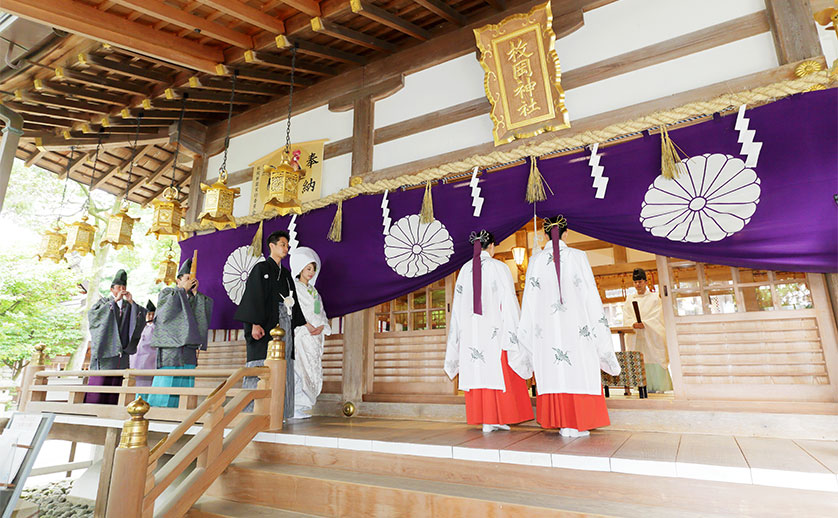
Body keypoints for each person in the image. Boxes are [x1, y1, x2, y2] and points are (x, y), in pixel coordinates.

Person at [509, 216, 621, 437]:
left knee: (552, 368)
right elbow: (590, 295)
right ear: (566, 233)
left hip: (546, 332)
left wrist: (528, 333)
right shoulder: (579, 257)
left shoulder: (536, 260)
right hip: (577, 328)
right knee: (579, 368)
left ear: (544, 235)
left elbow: (529, 302)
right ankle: (578, 422)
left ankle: (562, 422)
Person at [444, 230, 534, 432]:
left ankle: (486, 419)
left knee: (477, 370)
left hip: (471, 332)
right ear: (491, 246)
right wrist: (515, 328)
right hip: (495, 329)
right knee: (498, 370)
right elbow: (509, 302)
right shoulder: (499, 267)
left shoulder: (464, 270)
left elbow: (457, 307)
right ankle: (497, 417)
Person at [234, 230, 305, 417]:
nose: (286, 248)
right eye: (282, 244)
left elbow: (293, 300)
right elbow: (253, 297)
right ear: (271, 246)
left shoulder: (287, 274)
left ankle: (280, 411)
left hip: (285, 323)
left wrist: (296, 323)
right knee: (260, 364)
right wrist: (254, 324)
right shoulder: (261, 269)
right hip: (265, 325)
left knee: (284, 365)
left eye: (287, 245)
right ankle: (251, 411)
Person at [147, 258, 213, 408]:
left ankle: (182, 410)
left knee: (185, 383)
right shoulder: (168, 293)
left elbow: (201, 318)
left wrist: (195, 295)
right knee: (167, 382)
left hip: (188, 349)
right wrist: (182, 291)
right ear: (178, 280)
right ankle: (159, 410)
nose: (191, 281)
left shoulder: (194, 298)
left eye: (193, 279)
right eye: (188, 278)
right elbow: (165, 315)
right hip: (171, 348)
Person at [85, 269, 146, 404]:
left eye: (124, 287)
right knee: (102, 383)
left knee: (117, 384)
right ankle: (93, 408)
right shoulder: (103, 303)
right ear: (112, 289)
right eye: (118, 287)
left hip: (122, 352)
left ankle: (113, 408)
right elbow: (94, 316)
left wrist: (131, 303)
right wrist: (114, 303)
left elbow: (142, 316)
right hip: (106, 350)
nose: (122, 289)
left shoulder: (129, 306)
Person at [290, 247, 332, 419]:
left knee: (312, 369)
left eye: (313, 269)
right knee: (299, 368)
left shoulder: (314, 292)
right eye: (308, 268)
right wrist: (305, 325)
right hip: (302, 334)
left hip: (314, 337)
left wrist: (322, 326)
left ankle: (303, 405)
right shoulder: (294, 289)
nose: (311, 272)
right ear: (300, 268)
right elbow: (292, 310)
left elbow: (320, 312)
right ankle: (293, 406)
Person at [623, 268, 672, 393]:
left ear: (645, 282)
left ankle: (659, 386)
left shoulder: (655, 298)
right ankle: (641, 387)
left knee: (653, 357)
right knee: (640, 359)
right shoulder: (629, 299)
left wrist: (645, 323)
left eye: (640, 281)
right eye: (635, 282)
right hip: (636, 336)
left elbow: (658, 316)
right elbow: (626, 316)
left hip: (651, 334)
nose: (638, 285)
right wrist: (633, 324)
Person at [130, 300, 157, 389]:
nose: (151, 316)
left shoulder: (156, 328)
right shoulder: (140, 326)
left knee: (147, 385)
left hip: (149, 362)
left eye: (153, 314)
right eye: (149, 314)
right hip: (135, 361)